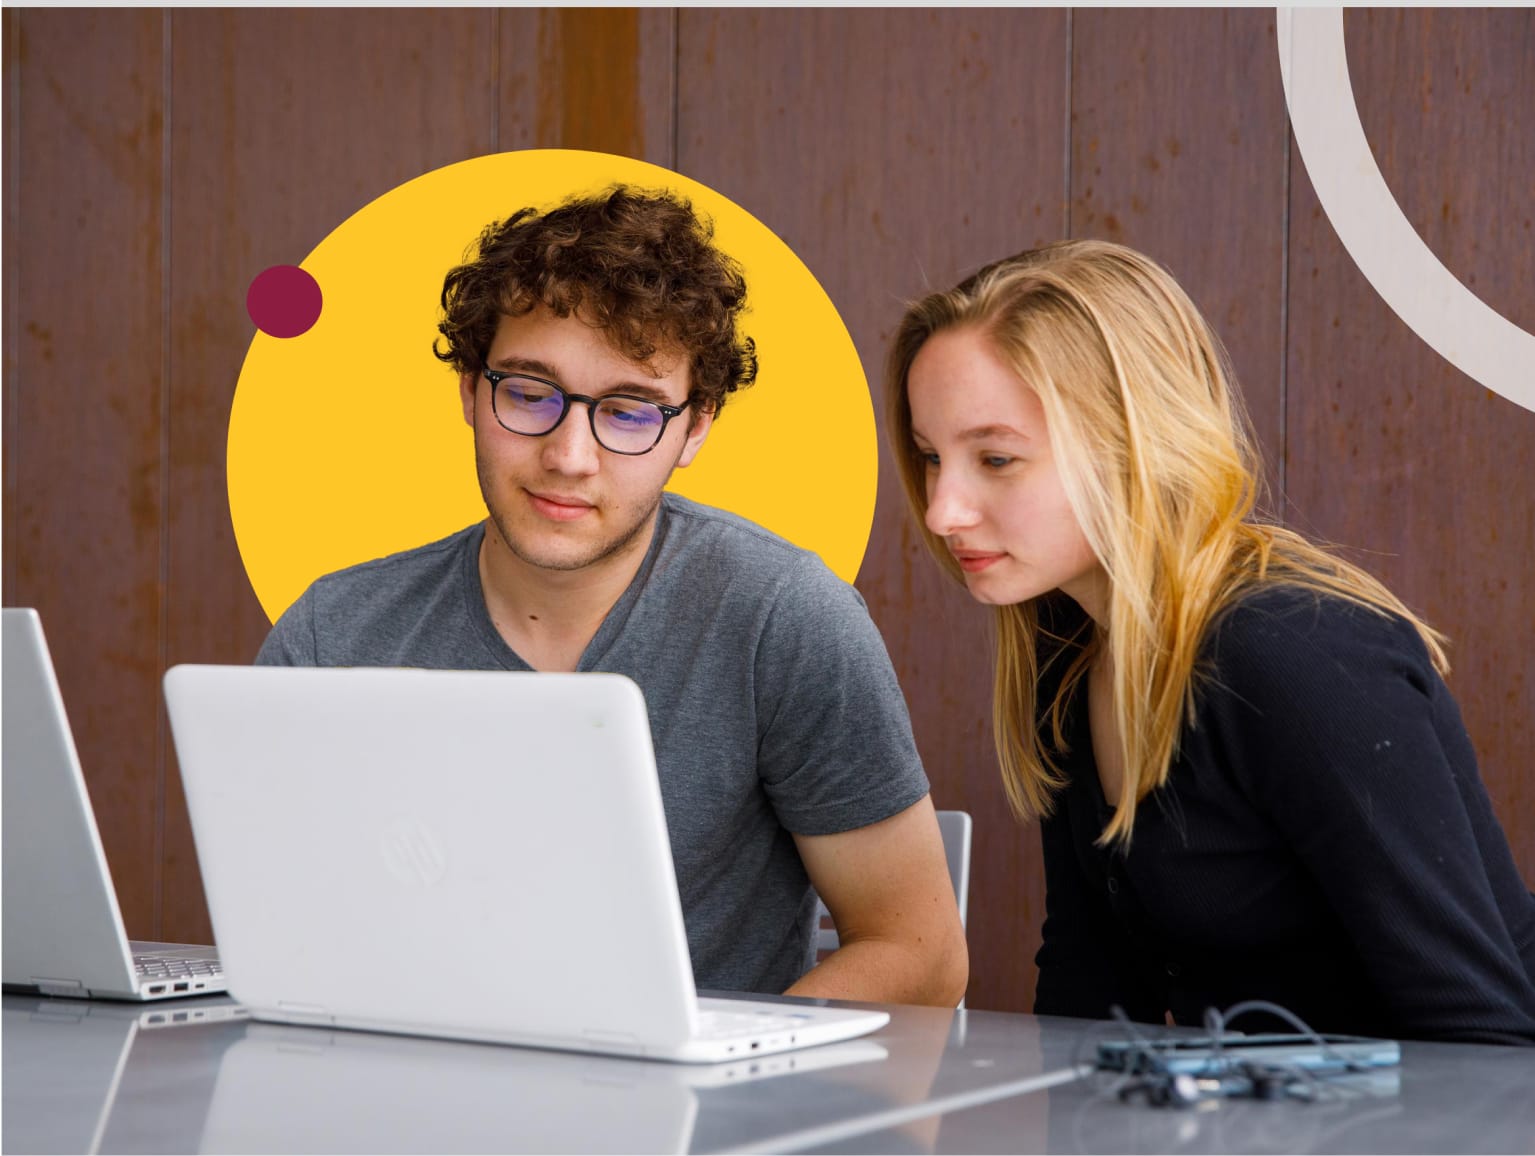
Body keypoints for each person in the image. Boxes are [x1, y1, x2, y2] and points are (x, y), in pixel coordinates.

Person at [257, 185, 967, 1007]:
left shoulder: (785, 618)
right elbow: (287, 937)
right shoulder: (330, 635)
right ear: (468, 391)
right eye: (527, 393)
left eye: (628, 413)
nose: (569, 455)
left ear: (695, 428)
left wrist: (722, 1070)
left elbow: (921, 956)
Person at [884, 238, 1535, 1043]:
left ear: (1136, 443)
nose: (943, 509)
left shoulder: (1294, 657)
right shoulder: (1068, 646)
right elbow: (1089, 994)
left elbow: (1483, 1041)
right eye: (928, 457)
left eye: (995, 458)